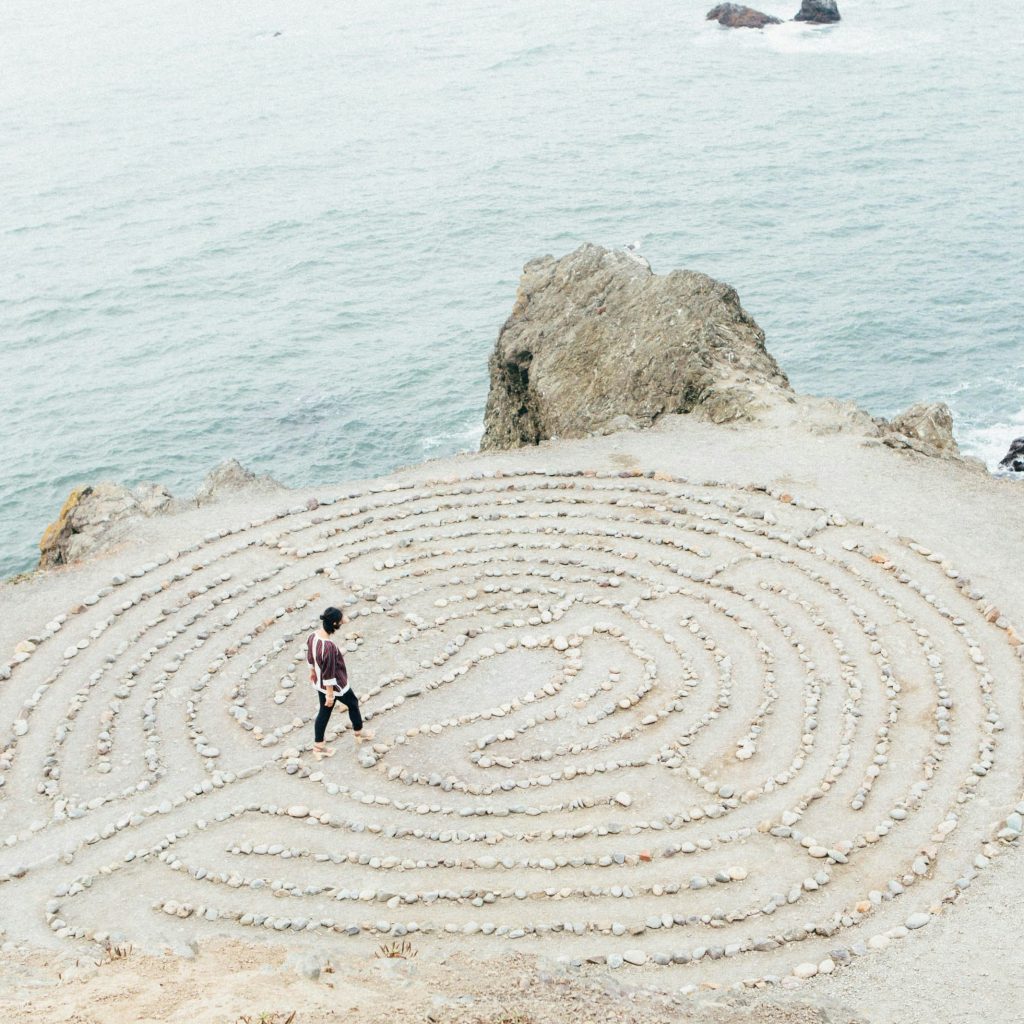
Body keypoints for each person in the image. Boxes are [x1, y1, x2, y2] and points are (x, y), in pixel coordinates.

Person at [306, 606, 369, 758]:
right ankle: (359, 732)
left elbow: (310, 655)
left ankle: (318, 746)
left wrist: (312, 671)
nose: (342, 622)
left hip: (320, 682)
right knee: (353, 702)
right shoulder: (329, 647)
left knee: (324, 712)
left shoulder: (313, 636)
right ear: (334, 624)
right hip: (335, 685)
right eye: (340, 621)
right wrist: (330, 694)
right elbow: (329, 672)